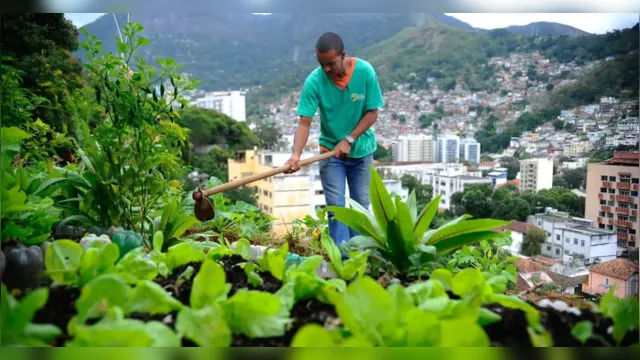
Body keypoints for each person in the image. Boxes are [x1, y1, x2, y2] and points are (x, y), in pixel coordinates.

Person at [284, 32, 385, 253]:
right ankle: (340, 259)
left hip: (362, 152)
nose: (326, 70)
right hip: (330, 152)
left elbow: (372, 112)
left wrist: (349, 139)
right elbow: (304, 122)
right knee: (336, 208)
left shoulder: (365, 72)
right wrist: (296, 155)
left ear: (343, 55)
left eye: (330, 64)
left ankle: (359, 256)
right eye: (322, 65)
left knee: (360, 208)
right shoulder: (314, 80)